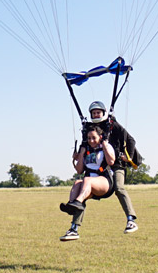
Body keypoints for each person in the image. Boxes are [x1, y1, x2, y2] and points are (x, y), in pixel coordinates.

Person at [86, 101, 140, 233]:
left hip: (116, 164)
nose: (96, 115)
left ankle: (131, 220)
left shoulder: (112, 125)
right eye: (94, 113)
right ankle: (74, 227)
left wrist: (128, 158)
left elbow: (131, 140)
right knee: (82, 189)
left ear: (103, 113)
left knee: (119, 187)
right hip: (99, 166)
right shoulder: (89, 129)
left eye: (98, 112)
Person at [58, 124, 114, 241]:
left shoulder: (106, 146)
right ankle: (73, 226)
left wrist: (104, 146)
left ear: (100, 137)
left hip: (104, 182)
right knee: (78, 182)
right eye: (89, 138)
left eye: (94, 138)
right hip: (88, 185)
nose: (91, 141)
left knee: (86, 180)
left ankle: (76, 202)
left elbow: (111, 162)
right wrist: (80, 155)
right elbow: (79, 170)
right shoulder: (86, 149)